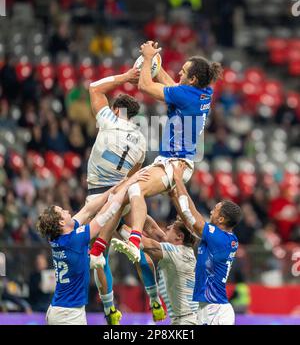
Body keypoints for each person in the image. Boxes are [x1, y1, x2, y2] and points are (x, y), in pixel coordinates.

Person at [111, 41, 222, 264]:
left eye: (184, 71)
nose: (179, 71)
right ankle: (127, 235)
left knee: (134, 190)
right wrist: (157, 66)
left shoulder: (185, 95)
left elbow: (144, 86)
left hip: (174, 164)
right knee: (122, 194)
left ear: (192, 80)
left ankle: (132, 241)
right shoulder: (203, 93)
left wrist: (148, 59)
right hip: (177, 161)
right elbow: (173, 86)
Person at [87, 67, 166, 324]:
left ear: (116, 110)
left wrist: (124, 77)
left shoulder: (108, 120)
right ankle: (155, 301)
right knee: (137, 246)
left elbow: (94, 87)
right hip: (123, 194)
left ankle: (110, 309)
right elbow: (132, 177)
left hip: (98, 196)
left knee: (100, 255)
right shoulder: (141, 141)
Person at [36, 171, 148, 325]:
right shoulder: (75, 239)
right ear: (61, 223)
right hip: (68, 315)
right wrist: (129, 183)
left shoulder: (61, 238)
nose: (67, 211)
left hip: (61, 310)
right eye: (62, 212)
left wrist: (115, 188)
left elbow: (88, 209)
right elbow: (107, 212)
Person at [170, 161, 243, 325]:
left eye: (215, 209)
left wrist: (178, 179)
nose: (211, 211)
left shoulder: (220, 239)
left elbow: (192, 216)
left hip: (216, 310)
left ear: (221, 219)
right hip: (207, 308)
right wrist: (174, 194)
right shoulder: (221, 238)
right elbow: (188, 219)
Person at [137, 219, 199, 325]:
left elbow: (143, 242)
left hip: (187, 321)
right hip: (185, 319)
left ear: (179, 236)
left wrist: (117, 224)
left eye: (172, 226)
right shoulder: (182, 252)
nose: (168, 227)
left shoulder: (176, 252)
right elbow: (151, 227)